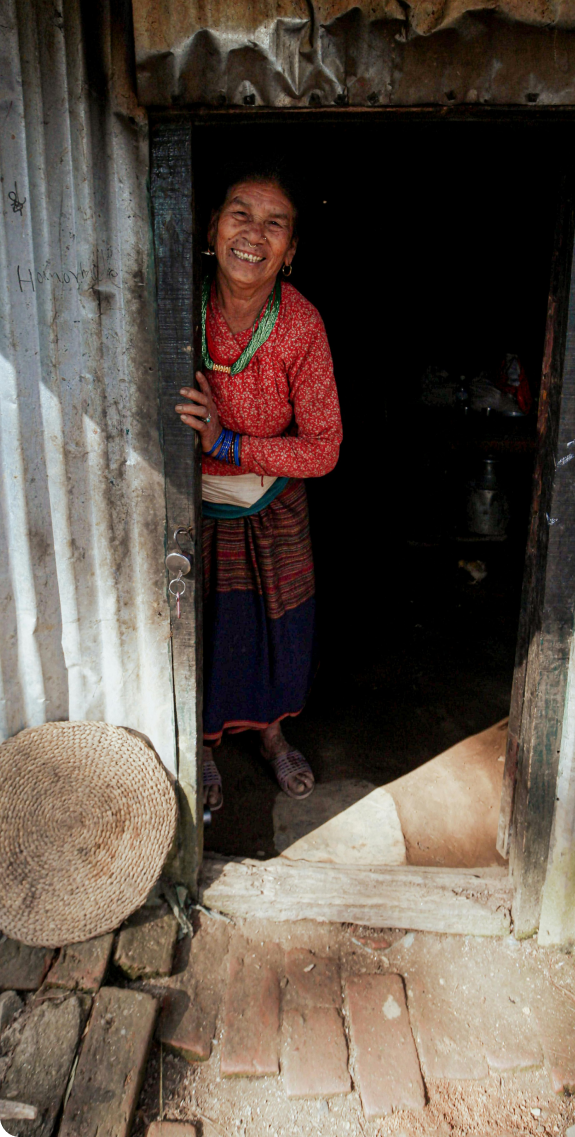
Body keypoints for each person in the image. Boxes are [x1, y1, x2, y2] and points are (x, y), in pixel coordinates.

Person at [176, 166, 342, 811]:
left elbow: (324, 448)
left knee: (275, 627)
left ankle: (272, 735)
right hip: (188, 501)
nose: (255, 233)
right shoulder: (176, 301)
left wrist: (228, 444)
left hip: (271, 500)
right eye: (240, 214)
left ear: (291, 252)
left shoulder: (300, 325)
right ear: (213, 230)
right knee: (207, 626)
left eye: (276, 224)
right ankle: (207, 745)